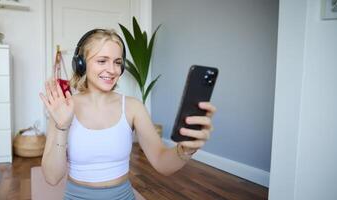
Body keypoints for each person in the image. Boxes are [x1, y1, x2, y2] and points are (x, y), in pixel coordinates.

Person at [39, 29, 216, 200]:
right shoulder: (64, 108)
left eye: (117, 62)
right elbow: (52, 177)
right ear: (81, 64)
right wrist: (61, 126)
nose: (113, 70)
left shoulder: (133, 107)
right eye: (102, 61)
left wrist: (185, 150)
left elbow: (162, 163)